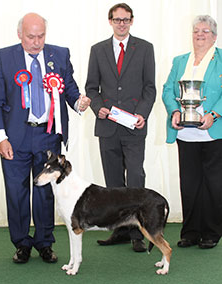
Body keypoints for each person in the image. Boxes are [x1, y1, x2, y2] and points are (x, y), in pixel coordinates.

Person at [0, 13, 90, 264]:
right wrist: (1, 137)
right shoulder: (5, 57)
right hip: (15, 137)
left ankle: (45, 243)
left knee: (46, 194)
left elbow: (70, 89)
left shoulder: (60, 54)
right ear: (19, 34)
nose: (36, 42)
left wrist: (79, 102)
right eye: (31, 36)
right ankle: (22, 243)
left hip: (48, 134)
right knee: (16, 192)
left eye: (41, 36)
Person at [85, 3, 156, 252]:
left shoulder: (145, 49)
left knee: (135, 178)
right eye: (117, 19)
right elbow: (91, 88)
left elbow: (150, 87)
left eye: (126, 19)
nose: (121, 23)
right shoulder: (98, 50)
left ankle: (138, 233)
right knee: (113, 184)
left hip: (134, 126)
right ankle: (120, 231)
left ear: (132, 21)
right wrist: (98, 106)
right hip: (107, 126)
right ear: (110, 21)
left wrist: (142, 113)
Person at [162, 15, 222, 249]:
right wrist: (174, 112)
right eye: (197, 30)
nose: (200, 34)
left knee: (213, 184)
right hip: (186, 133)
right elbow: (168, 89)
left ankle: (211, 232)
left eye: (205, 31)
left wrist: (214, 115)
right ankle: (190, 231)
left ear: (214, 36)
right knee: (189, 183)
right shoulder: (180, 61)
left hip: (213, 131)